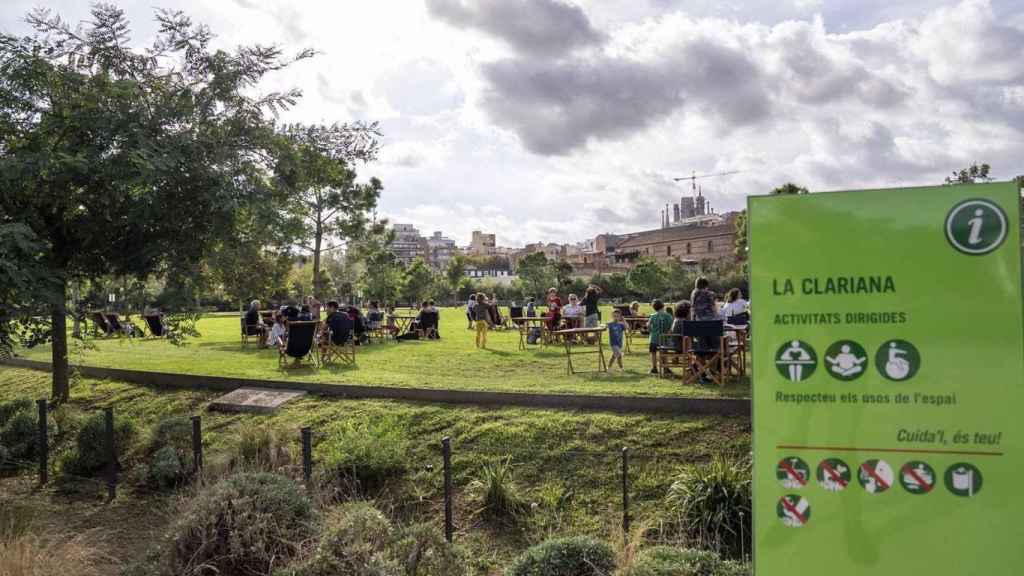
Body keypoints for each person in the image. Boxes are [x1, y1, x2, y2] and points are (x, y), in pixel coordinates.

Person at [647, 299, 673, 375]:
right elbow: (671, 328)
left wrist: (651, 331)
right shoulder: (668, 316)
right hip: (664, 338)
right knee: (664, 353)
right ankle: (666, 368)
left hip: (654, 338)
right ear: (663, 305)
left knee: (653, 353)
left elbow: (648, 326)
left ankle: (654, 368)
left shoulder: (653, 316)